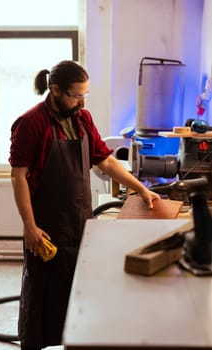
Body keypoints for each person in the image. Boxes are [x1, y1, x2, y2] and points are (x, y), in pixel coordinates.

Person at [9, 60, 159, 350]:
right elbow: (18, 178)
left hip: (79, 222)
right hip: (46, 227)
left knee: (77, 293)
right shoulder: (31, 123)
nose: (81, 102)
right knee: (42, 295)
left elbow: (104, 159)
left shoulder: (83, 119)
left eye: (85, 95)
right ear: (55, 90)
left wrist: (140, 188)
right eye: (76, 95)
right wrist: (30, 226)